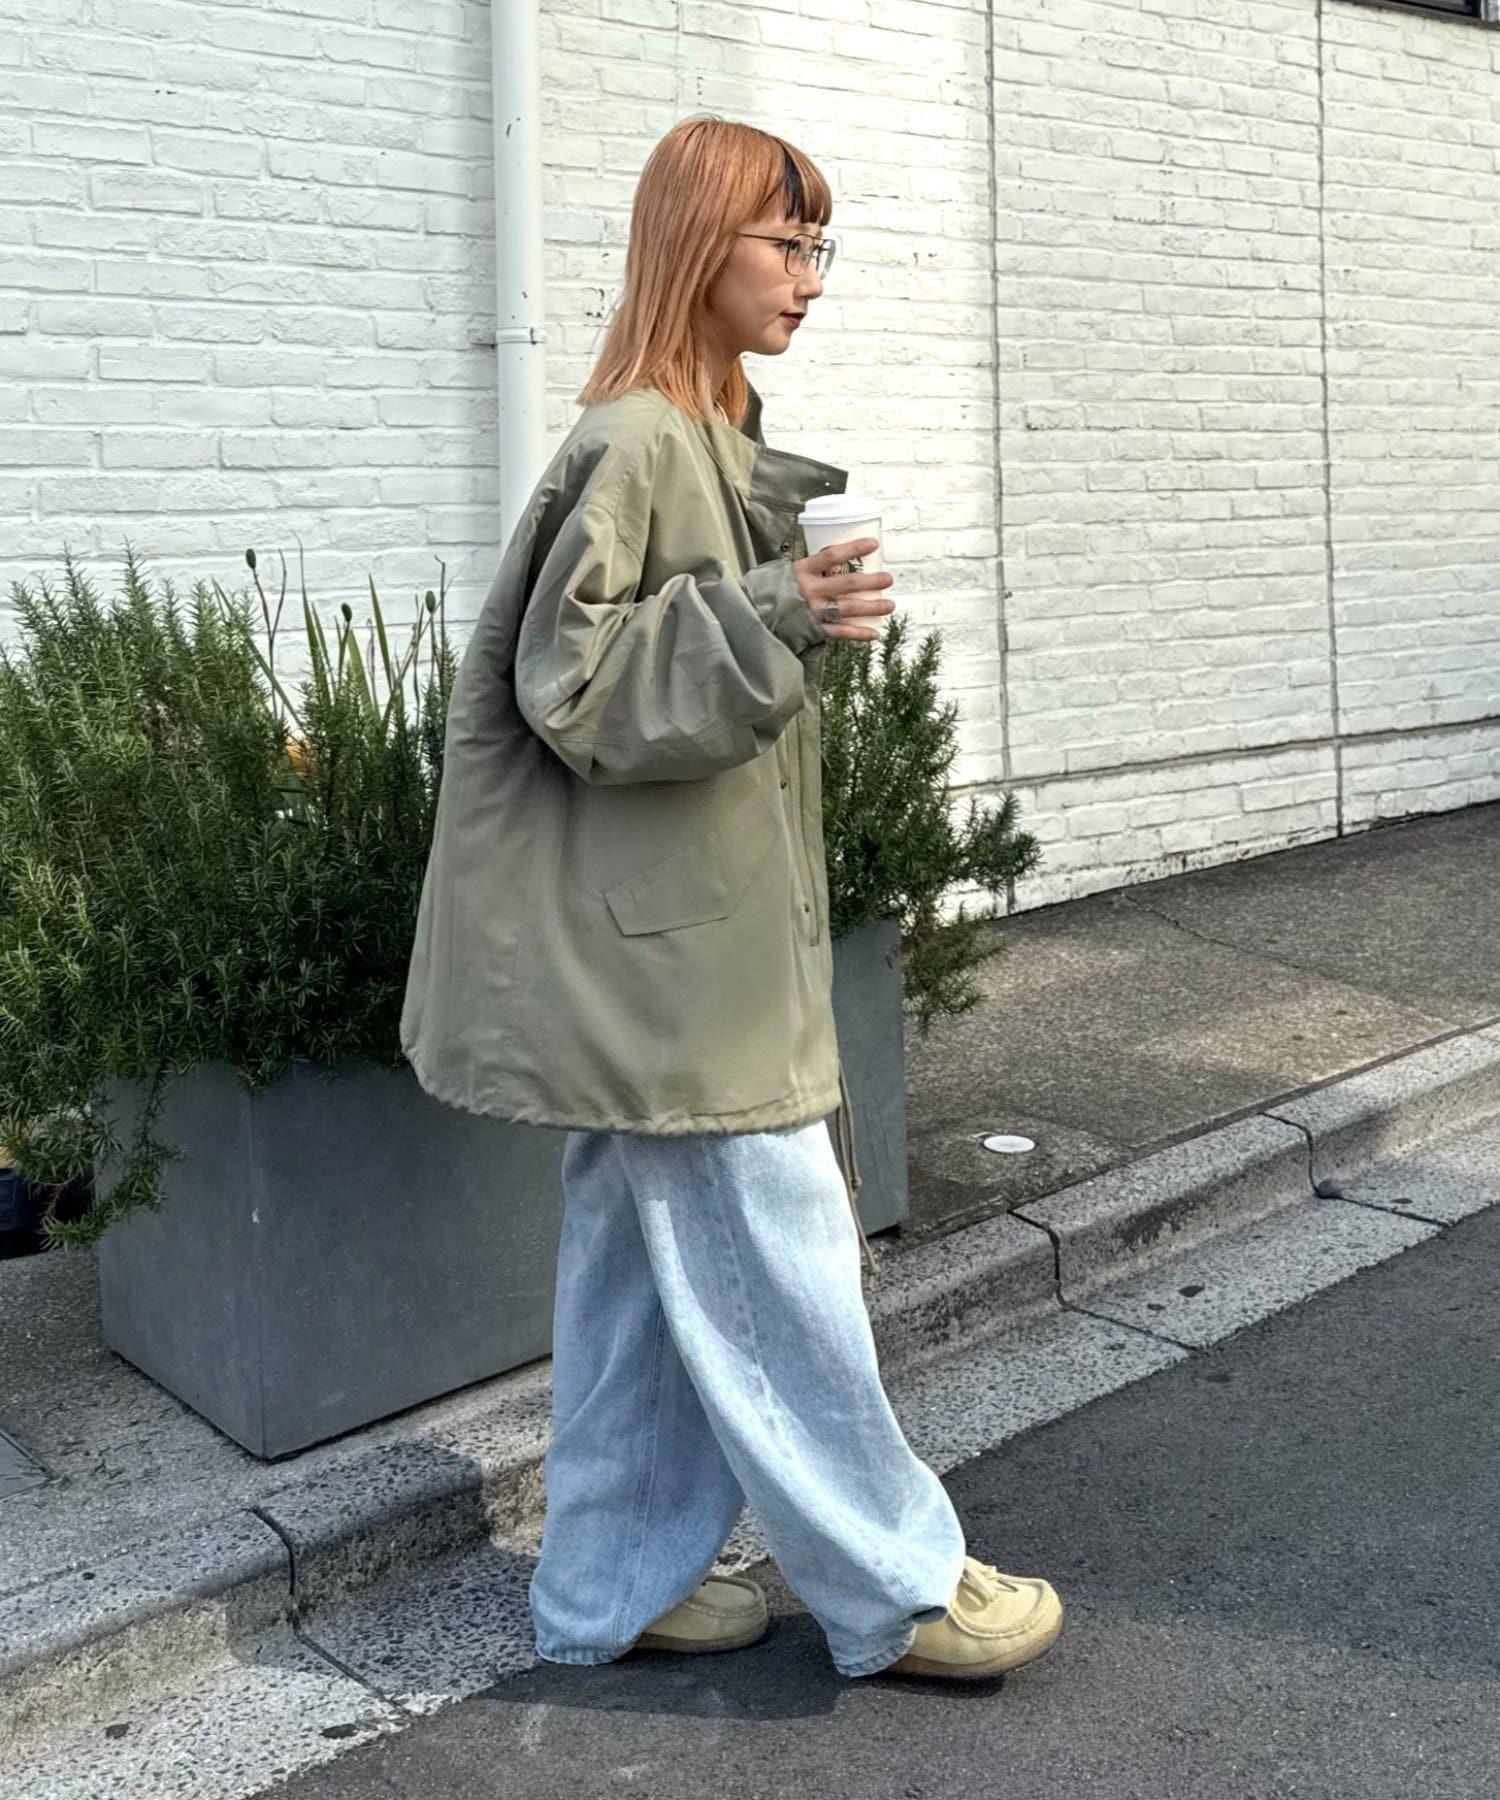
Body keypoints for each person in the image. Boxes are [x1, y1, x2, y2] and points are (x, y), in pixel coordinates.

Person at [399, 114, 1064, 1682]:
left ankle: (608, 1591)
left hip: (675, 946)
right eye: (787, 242)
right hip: (670, 971)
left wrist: (786, 601)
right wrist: (777, 607)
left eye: (820, 245)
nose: (811, 276)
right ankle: (896, 1586)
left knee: (636, 1285)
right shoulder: (637, 440)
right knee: (783, 1264)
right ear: (702, 245)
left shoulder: (704, 433)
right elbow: (574, 685)